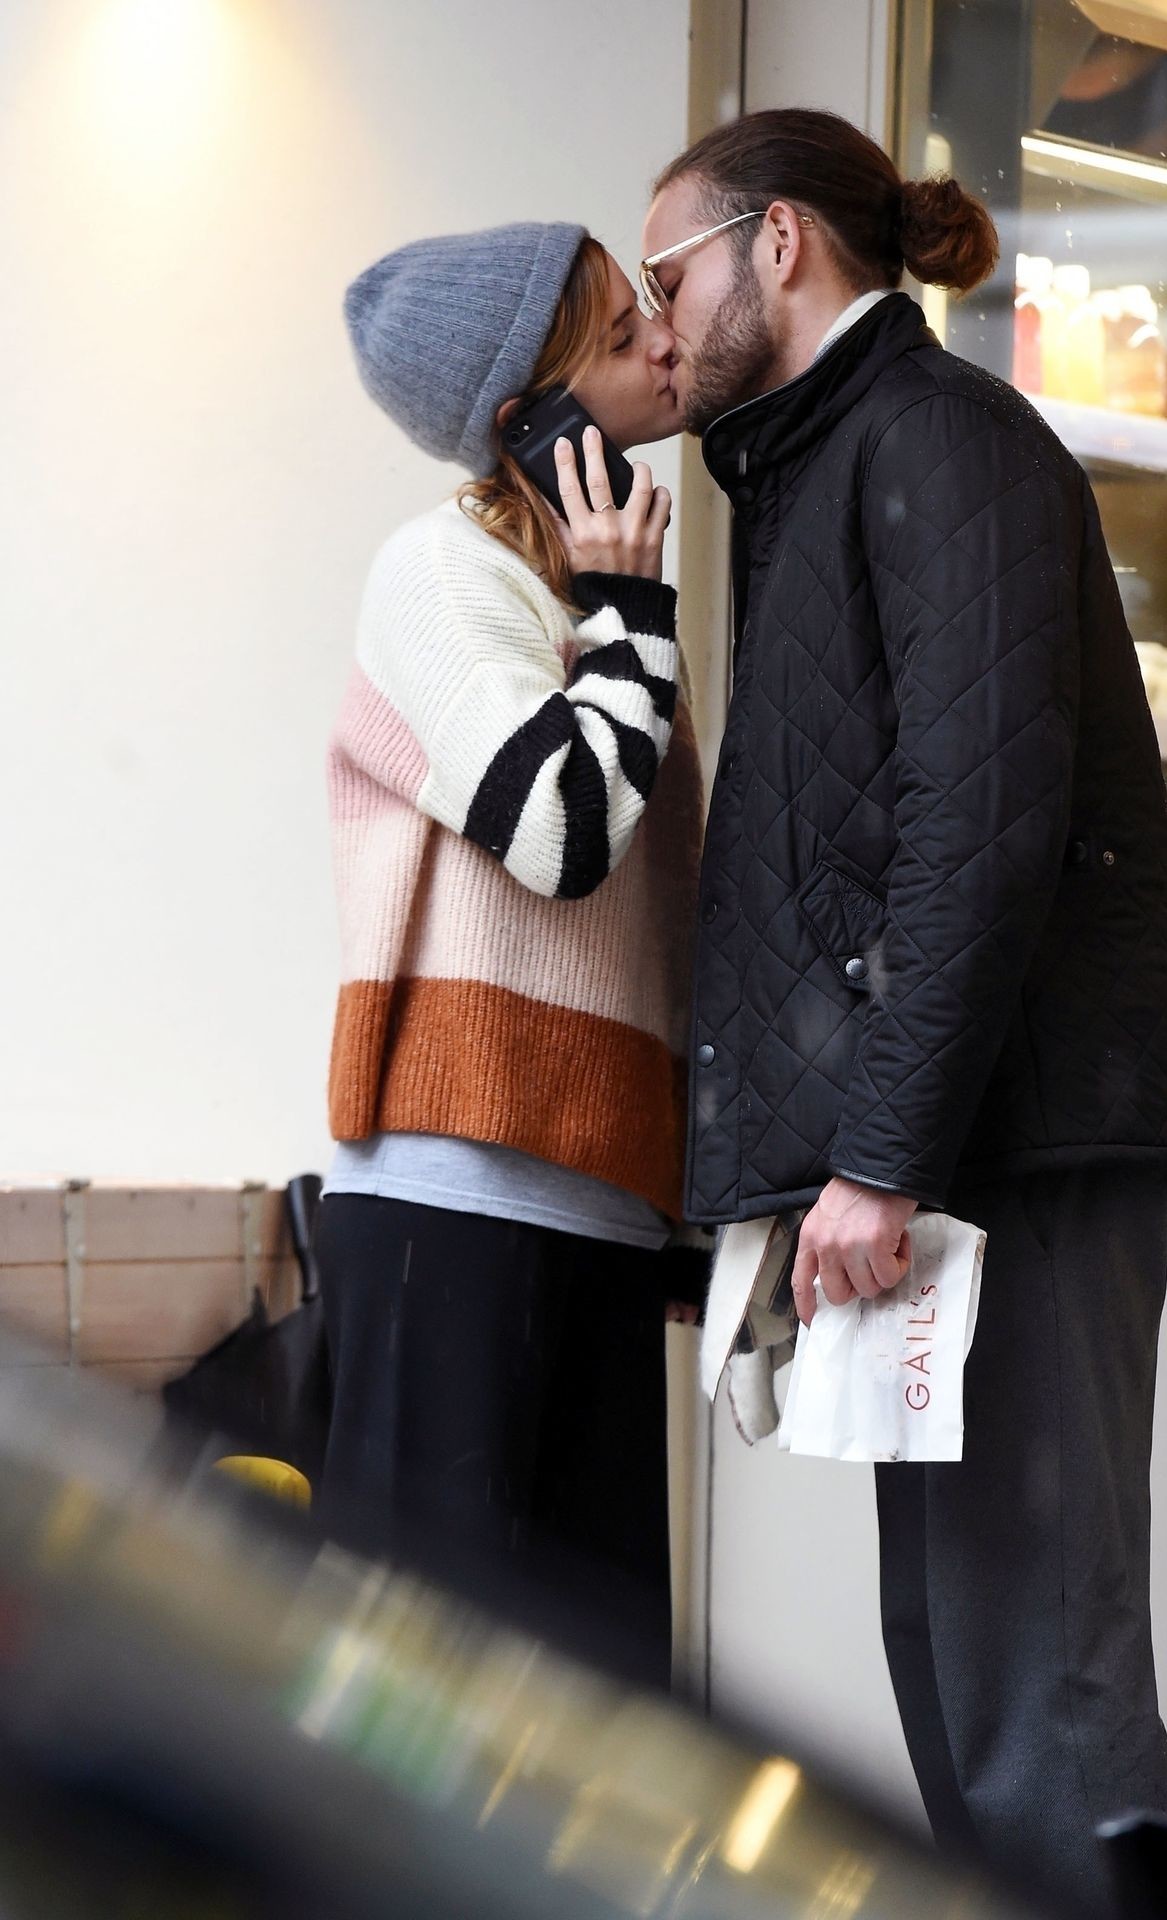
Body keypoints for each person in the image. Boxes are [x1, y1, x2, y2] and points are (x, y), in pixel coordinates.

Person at [641, 108, 1167, 1912]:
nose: (660, 321)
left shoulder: (936, 441)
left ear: (778, 242)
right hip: (951, 1148)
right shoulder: (822, 460)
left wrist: (875, 1157)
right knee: (957, 1670)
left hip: (1008, 1148)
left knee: (1035, 1687)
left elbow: (979, 829)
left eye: (668, 274)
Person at [315, 221, 707, 1690]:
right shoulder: (440, 576)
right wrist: (631, 617)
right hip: (455, 1198)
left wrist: (678, 1198)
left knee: (593, 1714)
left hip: (592, 1206)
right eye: (618, 334)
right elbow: (561, 830)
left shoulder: (578, 603)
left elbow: (662, 917)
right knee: (418, 1703)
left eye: (650, 308)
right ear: (524, 417)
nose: (664, 341)